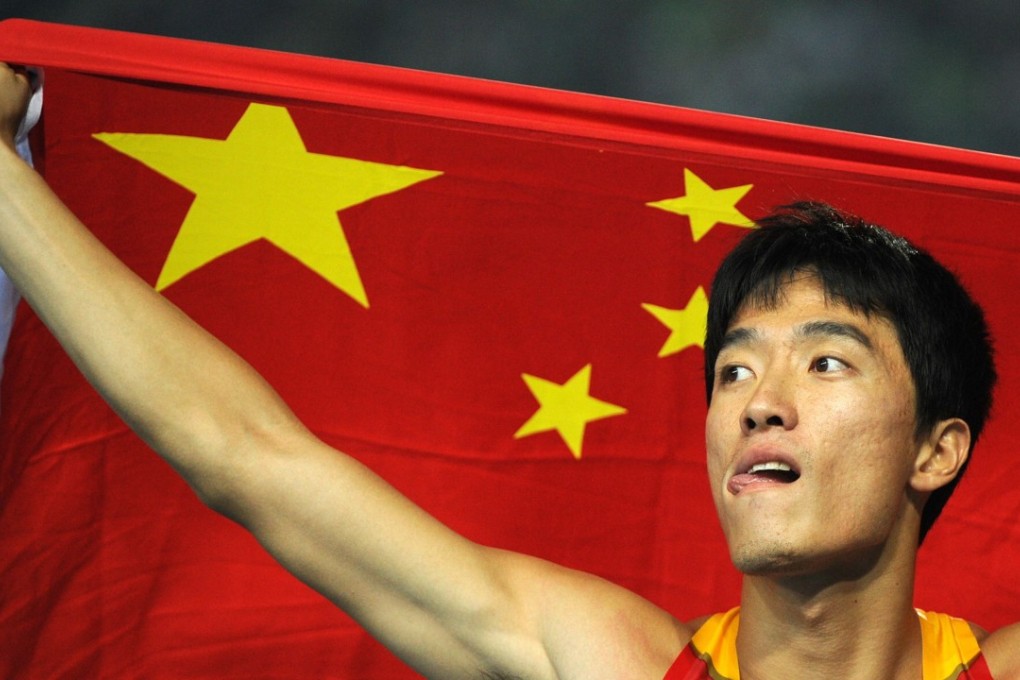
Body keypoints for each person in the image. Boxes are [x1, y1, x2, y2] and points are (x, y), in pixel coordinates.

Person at [0, 62, 1017, 679]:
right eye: (733, 371)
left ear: (937, 447)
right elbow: (246, 455)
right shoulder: (604, 658)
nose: (759, 403)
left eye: (826, 359)